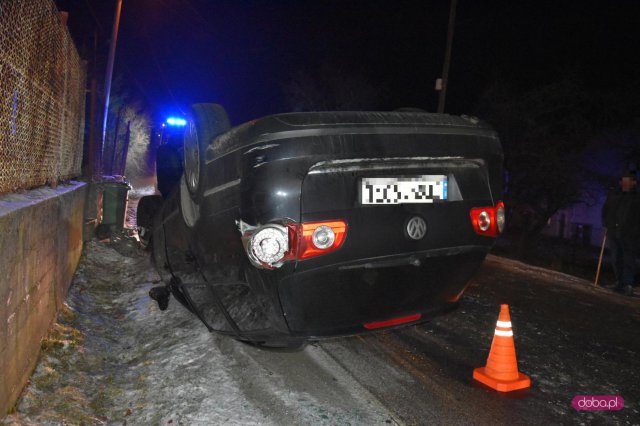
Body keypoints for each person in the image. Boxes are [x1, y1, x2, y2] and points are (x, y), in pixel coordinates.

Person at [602, 170, 640, 295]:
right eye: (623, 181)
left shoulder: (636, 197)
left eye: (627, 181)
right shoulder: (614, 194)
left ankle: (627, 284)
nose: (624, 184)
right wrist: (606, 222)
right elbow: (606, 209)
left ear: (633, 182)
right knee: (615, 257)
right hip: (614, 230)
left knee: (628, 259)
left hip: (629, 233)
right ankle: (619, 282)